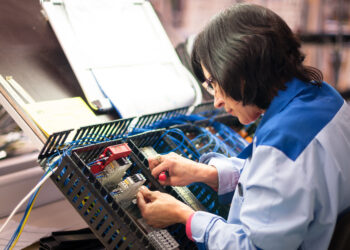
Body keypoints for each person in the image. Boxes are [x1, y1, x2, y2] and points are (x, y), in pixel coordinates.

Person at [136, 3, 350, 249]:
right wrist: (207, 174)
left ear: (242, 72)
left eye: (215, 83)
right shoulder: (326, 98)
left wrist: (184, 215)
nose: (216, 100)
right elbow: (287, 189)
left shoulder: (281, 146)